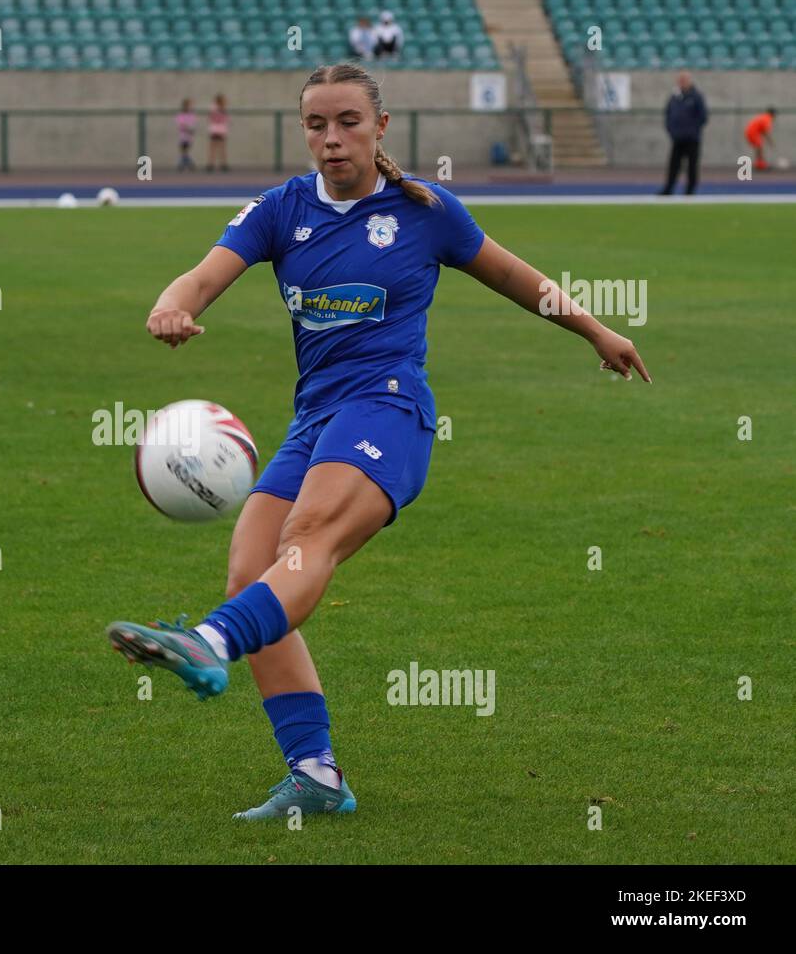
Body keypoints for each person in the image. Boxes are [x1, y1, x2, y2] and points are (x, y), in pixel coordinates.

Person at [106, 62, 649, 821]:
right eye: (317, 126)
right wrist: (169, 308)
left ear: (380, 127)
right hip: (314, 420)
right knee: (250, 572)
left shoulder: (426, 211)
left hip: (388, 410)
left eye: (348, 123)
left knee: (306, 538)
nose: (332, 140)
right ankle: (316, 775)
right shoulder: (278, 210)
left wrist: (597, 330)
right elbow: (198, 279)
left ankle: (207, 645)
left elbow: (519, 279)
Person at [660, 70, 708, 195]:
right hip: (677, 138)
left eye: (684, 80)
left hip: (692, 138)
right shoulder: (675, 97)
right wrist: (671, 130)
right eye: (680, 80)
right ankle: (669, 188)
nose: (681, 83)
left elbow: (703, 117)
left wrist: (693, 129)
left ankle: (690, 190)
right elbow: (668, 114)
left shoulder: (696, 96)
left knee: (692, 165)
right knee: (673, 165)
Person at [207, 93, 230, 173]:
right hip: (215, 129)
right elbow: (212, 117)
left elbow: (225, 119)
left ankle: (223, 164)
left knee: (221, 147)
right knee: (213, 147)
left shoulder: (223, 108)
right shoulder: (214, 108)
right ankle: (211, 164)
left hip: (220, 129)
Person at [176, 98, 197, 171]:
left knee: (185, 151)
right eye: (188, 105)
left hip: (189, 137)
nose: (189, 107)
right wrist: (187, 128)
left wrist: (190, 129)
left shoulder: (192, 115)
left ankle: (184, 164)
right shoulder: (181, 115)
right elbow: (181, 124)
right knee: (184, 151)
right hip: (182, 136)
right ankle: (189, 164)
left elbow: (192, 124)